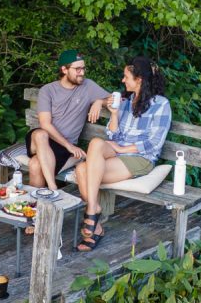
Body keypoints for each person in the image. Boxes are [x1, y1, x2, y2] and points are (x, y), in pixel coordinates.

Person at [75, 56, 171, 251]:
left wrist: (123, 149)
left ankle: (95, 223)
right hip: (118, 152)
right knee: (95, 142)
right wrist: (114, 113)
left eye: (126, 76)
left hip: (140, 158)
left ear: (139, 80)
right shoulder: (126, 101)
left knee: (82, 170)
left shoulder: (161, 104)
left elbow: (153, 142)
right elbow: (113, 134)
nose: (122, 80)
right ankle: (94, 209)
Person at [26, 49, 112, 192]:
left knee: (35, 165)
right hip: (43, 139)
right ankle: (53, 188)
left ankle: (37, 208)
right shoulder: (48, 90)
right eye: (77, 69)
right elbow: (45, 124)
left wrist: (99, 102)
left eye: (83, 68)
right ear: (64, 69)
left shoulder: (88, 86)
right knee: (41, 134)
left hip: (62, 148)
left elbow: (114, 99)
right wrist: (70, 147)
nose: (82, 73)